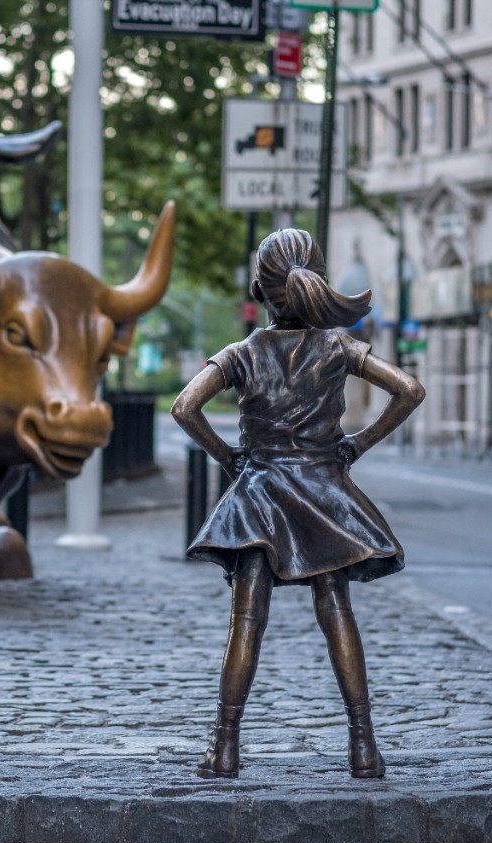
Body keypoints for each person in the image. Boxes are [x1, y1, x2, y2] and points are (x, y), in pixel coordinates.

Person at [171, 228, 424, 780]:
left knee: (247, 620)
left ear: (259, 291)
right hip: (324, 492)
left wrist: (228, 456)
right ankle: (364, 747)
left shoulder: (243, 353)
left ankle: (225, 746)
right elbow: (409, 390)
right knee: (336, 612)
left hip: (259, 494)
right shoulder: (337, 347)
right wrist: (357, 444)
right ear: (317, 282)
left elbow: (185, 407)